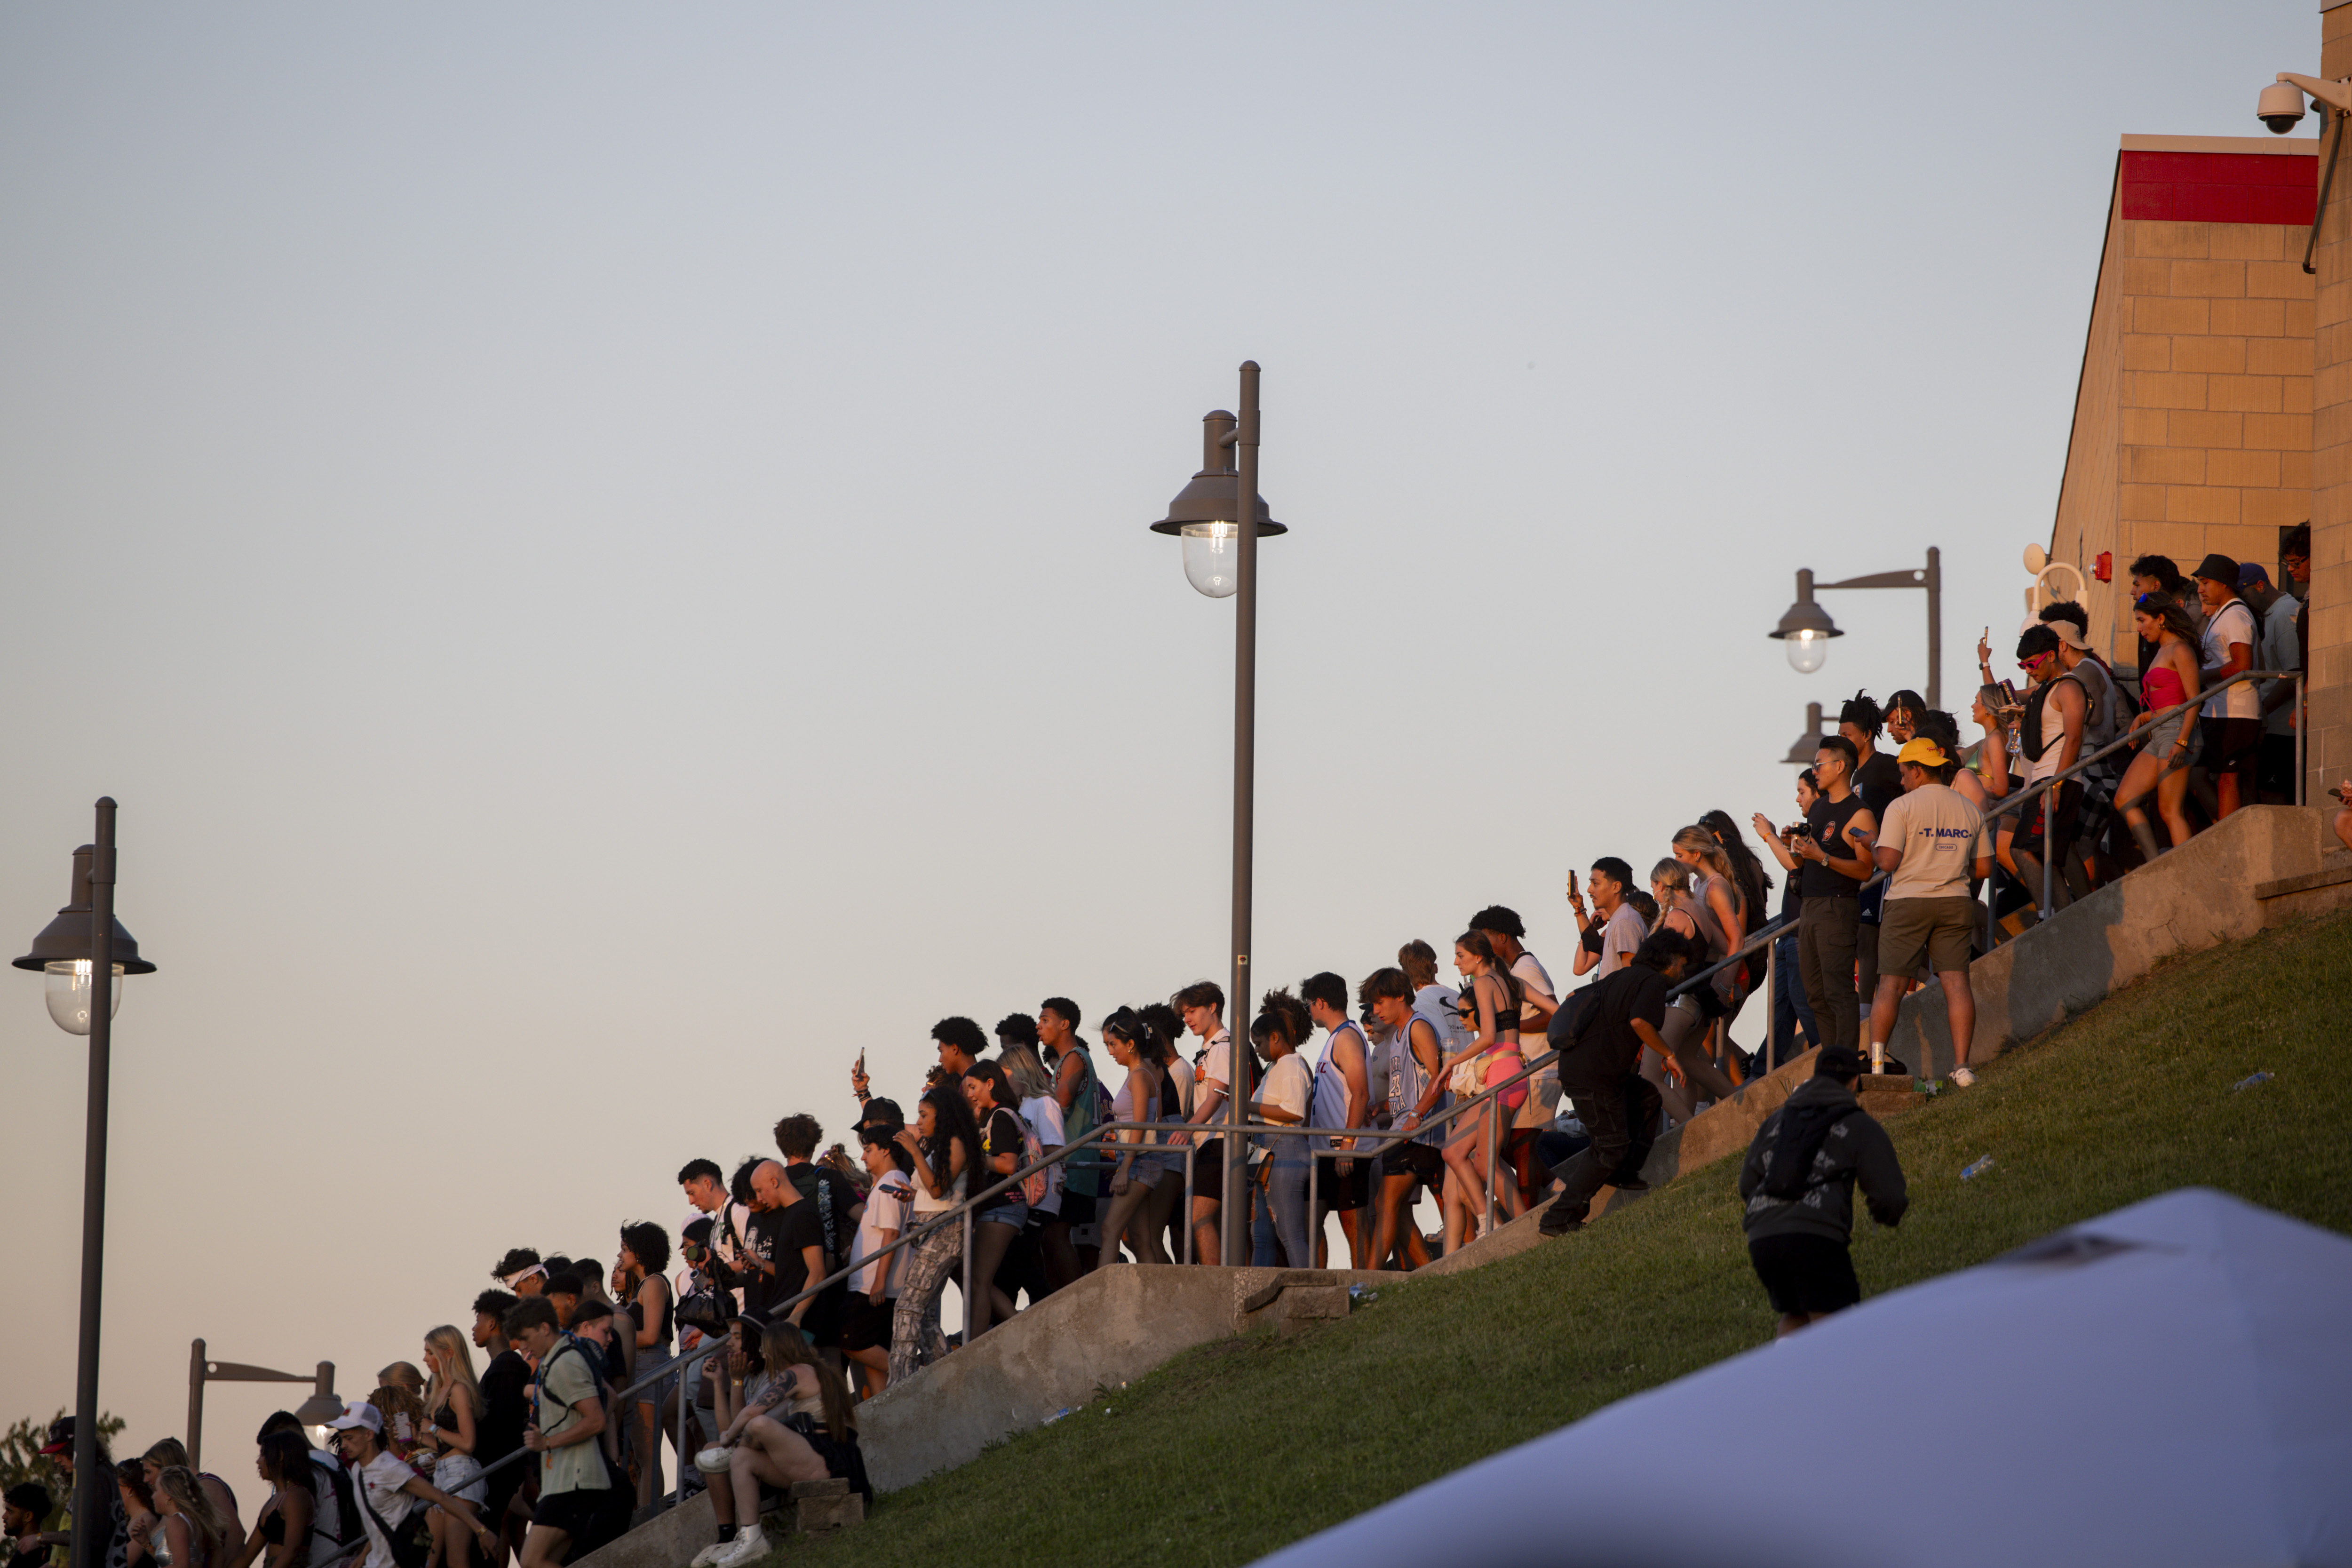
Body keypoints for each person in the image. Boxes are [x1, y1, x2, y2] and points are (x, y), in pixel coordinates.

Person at [1737, 1043, 1910, 1337]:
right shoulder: (1857, 1124)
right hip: (1814, 1238)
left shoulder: (1776, 1121)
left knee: (1796, 1315)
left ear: (1815, 1077)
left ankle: (1787, 1380)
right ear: (1855, 1082)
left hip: (1763, 1239)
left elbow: (1746, 1184)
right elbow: (1889, 1196)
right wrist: (1886, 1215)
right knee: (1834, 1327)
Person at [1539, 931, 1696, 1236]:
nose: (1684, 972)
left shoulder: (1625, 976)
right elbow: (1640, 1022)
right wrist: (1669, 1054)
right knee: (1609, 1146)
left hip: (1591, 1070)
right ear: (1670, 960)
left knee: (1647, 1097)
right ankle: (1557, 1218)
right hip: (1593, 1075)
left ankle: (1625, 1171)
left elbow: (1576, 998)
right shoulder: (1651, 981)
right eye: (1683, 964)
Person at [1868, 737, 1993, 1084]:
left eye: (1904, 772)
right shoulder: (1970, 809)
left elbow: (1888, 860)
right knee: (1957, 984)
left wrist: (1873, 845)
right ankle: (1963, 1066)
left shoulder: (1901, 807)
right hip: (1954, 899)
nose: (1902, 779)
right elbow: (1983, 868)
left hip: (1908, 901)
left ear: (1919, 770)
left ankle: (1877, 1066)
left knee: (1889, 987)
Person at [692, 1322, 866, 1568]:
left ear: (776, 1350)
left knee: (759, 1424)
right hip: (816, 1461)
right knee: (744, 1459)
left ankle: (730, 1450)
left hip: (829, 1461)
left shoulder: (797, 1372)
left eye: (765, 1349)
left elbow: (752, 1413)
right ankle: (752, 1540)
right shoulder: (816, 1370)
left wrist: (728, 1438)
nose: (763, 1355)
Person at [1780, 736, 1875, 1055]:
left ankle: (1846, 1061)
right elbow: (1800, 861)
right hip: (1809, 907)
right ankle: (1833, 1058)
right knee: (1815, 994)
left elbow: (1866, 870)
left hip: (1837, 907)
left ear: (1840, 766)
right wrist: (1792, 845)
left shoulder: (1859, 813)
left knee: (1838, 991)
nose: (1815, 771)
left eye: (1819, 765)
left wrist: (1821, 856)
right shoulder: (1819, 807)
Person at [501, 1299, 609, 1568]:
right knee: (547, 1560)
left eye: (526, 1338)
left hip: (574, 1482)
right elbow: (611, 1398)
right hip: (566, 1481)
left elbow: (596, 1420)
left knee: (531, 1560)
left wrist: (546, 1442)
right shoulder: (558, 1359)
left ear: (544, 1328)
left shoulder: (565, 1363)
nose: (524, 1347)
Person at [887, 1085, 979, 1383]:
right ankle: (948, 1377)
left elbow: (941, 1189)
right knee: (924, 1314)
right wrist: (911, 1195)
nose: (920, 1121)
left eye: (925, 1115)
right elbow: (931, 1190)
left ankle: (898, 1381)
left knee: (908, 1306)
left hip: (945, 1232)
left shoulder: (956, 1143)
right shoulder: (940, 1147)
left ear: (943, 1116)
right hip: (930, 1229)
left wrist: (913, 1151)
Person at [1439, 932, 1526, 1248]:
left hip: (1504, 1077)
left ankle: (1521, 1228)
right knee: (1453, 1151)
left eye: (1460, 955)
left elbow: (1488, 1035)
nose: (1456, 961)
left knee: (1485, 1163)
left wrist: (1451, 1064)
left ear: (1478, 957)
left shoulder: (1484, 982)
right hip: (1506, 1075)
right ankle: (1488, 1221)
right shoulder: (1510, 982)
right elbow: (1553, 1008)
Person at [327, 1405, 494, 1568]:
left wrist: (481, 1531)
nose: (343, 1446)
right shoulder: (358, 1470)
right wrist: (364, 1556)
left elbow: (440, 1497)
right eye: (342, 1439)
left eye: (350, 1439)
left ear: (369, 1434)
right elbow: (383, 1520)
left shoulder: (391, 1469)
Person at [1639, 859, 1742, 1122]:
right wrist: (1718, 983)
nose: (1653, 894)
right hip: (1698, 1003)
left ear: (1663, 886)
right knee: (1688, 1061)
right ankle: (1742, 1109)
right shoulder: (1699, 911)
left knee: (1650, 1076)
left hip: (1680, 1002)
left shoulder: (1676, 916)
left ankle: (1689, 1132)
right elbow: (1723, 949)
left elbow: (1664, 965)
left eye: (1654, 887)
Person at [1363, 968, 1442, 1271]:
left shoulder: (1418, 1027)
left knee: (1386, 1204)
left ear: (1400, 997)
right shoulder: (1395, 1035)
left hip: (1418, 1133)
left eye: (1380, 1002)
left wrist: (1416, 1115)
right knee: (1398, 1210)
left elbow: (1439, 1081)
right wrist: (1382, 1106)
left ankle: (1369, 1279)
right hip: (1400, 1129)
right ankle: (1427, 1273)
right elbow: (1409, 1084)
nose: (1376, 1011)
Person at [2117, 592, 2203, 860]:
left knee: (2169, 810)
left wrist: (2182, 741)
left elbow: (2194, 701)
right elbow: (2166, 702)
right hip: (2159, 732)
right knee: (2125, 799)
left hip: (2178, 732)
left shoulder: (2179, 649)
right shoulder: (2161, 652)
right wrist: (2143, 718)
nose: (2139, 628)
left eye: (2143, 621)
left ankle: (2184, 871)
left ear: (2161, 619)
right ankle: (2155, 864)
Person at [1167, 979, 1242, 1266]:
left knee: (1199, 1215)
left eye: (1192, 1011)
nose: (1187, 1019)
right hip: (1209, 1142)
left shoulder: (1223, 1046)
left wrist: (1189, 1129)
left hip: (1221, 1142)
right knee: (1213, 1218)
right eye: (1184, 1013)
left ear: (1213, 1008)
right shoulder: (1210, 1048)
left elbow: (1216, 1097)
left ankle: (1216, 1283)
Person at [1095, 1005, 1177, 1266]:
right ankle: (1153, 1300)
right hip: (1138, 1161)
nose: (1110, 1052)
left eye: (1113, 1044)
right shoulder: (1140, 1074)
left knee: (1110, 1230)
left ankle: (1104, 1297)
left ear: (1130, 1044)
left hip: (1139, 1163)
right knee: (1141, 1238)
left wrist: (1124, 1169)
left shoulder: (1141, 1075)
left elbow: (1143, 1125)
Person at [2013, 624, 2088, 910]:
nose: (2028, 670)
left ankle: (2051, 913)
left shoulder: (2068, 687)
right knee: (2050, 855)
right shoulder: (2046, 690)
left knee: (2022, 849)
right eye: (2023, 665)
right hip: (2043, 781)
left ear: (2051, 656)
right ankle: (2060, 913)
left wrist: (2056, 785)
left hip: (2056, 781)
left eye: (2031, 663)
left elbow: (2074, 738)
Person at [1299, 971, 1371, 1266]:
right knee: (1309, 1220)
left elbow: (1361, 1093)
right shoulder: (1334, 1040)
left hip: (1344, 1149)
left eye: (1309, 1005)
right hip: (1325, 1151)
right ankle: (1318, 1281)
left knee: (1353, 1225)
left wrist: (1347, 1145)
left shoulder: (1347, 1038)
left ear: (1320, 1003)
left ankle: (1363, 1284)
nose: (1309, 1012)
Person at [999, 1041, 1080, 1294]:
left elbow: (1057, 1148)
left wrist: (1021, 1153)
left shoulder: (1044, 1102)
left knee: (1019, 1258)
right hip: (1027, 1193)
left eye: (1005, 1075)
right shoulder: (1022, 1104)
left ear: (1020, 1071)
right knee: (1018, 1259)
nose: (1002, 1082)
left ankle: (1044, 1307)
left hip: (1043, 1194)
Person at [1751, 779, 1821, 1068]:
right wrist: (1787, 841)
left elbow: (1795, 866)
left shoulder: (1824, 829)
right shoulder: (1809, 831)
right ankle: (1760, 1070)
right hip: (1787, 936)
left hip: (1800, 935)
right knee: (1781, 1012)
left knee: (1805, 1005)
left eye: (1802, 792)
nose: (1797, 799)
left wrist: (1770, 837)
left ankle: (1833, 1060)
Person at [842, 1116, 914, 1397]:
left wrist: (879, 1281)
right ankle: (886, 1405)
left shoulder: (891, 1182)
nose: (863, 1156)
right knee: (874, 1347)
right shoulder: (887, 1183)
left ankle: (913, 1369)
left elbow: (891, 1234)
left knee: (852, 1342)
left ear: (886, 1150)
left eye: (868, 1149)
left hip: (873, 1285)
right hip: (872, 1283)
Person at [772, 1115, 855, 1355]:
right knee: (830, 1361)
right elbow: (862, 1214)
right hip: (830, 1283)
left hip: (786, 1284)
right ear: (814, 1142)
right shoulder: (830, 1177)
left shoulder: (775, 1184)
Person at [960, 1059, 1031, 1337]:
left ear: (991, 1084)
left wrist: (975, 1159)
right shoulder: (997, 1115)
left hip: (1004, 1206)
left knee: (978, 1280)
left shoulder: (1001, 1116)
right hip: (1001, 1208)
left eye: (974, 1087)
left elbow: (1007, 1165)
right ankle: (1020, 1325)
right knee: (981, 1280)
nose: (969, 1094)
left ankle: (973, 1346)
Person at [1034, 998, 1104, 1271]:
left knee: (1056, 1236)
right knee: (1051, 1238)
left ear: (1065, 1025)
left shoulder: (1075, 1058)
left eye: (1045, 1020)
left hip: (1074, 1165)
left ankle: (1076, 1306)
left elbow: (1059, 1105)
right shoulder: (1067, 1060)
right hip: (1070, 1164)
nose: (1038, 1026)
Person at [2191, 552, 2260, 821]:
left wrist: (2202, 676)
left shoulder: (2236, 614)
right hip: (2220, 709)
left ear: (2224, 583)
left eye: (2206, 582)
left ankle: (2229, 839)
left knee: (2229, 778)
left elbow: (2243, 664)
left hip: (2236, 711)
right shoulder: (2223, 615)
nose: (2200, 589)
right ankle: (2224, 832)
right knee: (2212, 776)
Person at [610, 1221, 673, 1507]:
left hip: (651, 1367)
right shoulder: (638, 1291)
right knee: (641, 1455)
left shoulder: (655, 1283)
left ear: (641, 1252)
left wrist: (615, 1339)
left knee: (648, 1456)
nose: (621, 1256)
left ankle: (648, 1517)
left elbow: (650, 1334)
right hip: (638, 1368)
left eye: (625, 1249)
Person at [417, 1326, 489, 1568]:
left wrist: (433, 1429)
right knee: (429, 1557)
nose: (425, 1359)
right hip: (443, 1472)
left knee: (457, 1558)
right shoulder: (440, 1390)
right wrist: (418, 1437)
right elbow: (443, 1442)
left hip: (461, 1472)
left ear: (448, 1353)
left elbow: (468, 1443)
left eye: (430, 1353)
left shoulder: (459, 1389)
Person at [466, 1293, 529, 1567]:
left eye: (478, 1320)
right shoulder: (503, 1367)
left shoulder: (508, 1368)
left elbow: (500, 1427)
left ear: (492, 1324)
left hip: (495, 1476)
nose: (474, 1327)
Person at [2236, 562, 2303, 804]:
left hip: (2282, 728)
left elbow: (2293, 674)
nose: (2241, 601)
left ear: (2260, 586)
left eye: (2243, 594)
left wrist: (2261, 713)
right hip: (2270, 723)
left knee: (2273, 795)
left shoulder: (2285, 613)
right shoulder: (2268, 614)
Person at [739, 1160, 824, 1333]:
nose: (759, 1198)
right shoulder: (791, 1214)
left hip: (793, 1320)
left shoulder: (802, 1214)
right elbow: (792, 1271)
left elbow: (818, 1271)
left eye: (760, 1191)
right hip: (782, 1315)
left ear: (774, 1182)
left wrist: (796, 1317)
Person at [137, 1444, 238, 1552]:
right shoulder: (174, 1513)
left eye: (149, 1472)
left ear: (165, 1469)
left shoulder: (181, 1517)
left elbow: (236, 1534)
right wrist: (146, 1544)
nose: (145, 1480)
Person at [1567, 858, 1646, 980]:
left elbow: (1630, 978)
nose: (1589, 890)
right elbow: (1593, 944)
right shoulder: (1618, 919)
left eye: (1596, 884)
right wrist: (1579, 908)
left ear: (1616, 887)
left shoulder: (1624, 921)